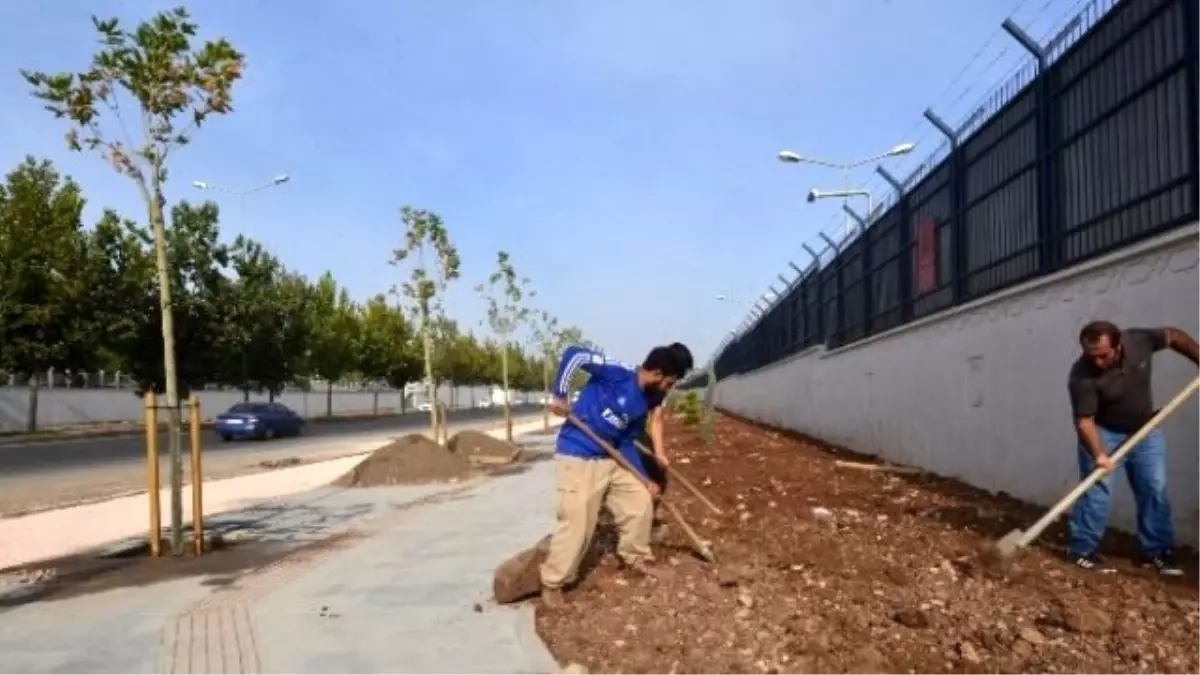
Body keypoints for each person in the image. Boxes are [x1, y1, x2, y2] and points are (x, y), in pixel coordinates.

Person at [539, 342, 693, 607]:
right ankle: (553, 582)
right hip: (578, 455)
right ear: (657, 374)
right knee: (578, 522)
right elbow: (573, 354)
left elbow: (626, 442)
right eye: (669, 383)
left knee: (640, 500)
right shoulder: (615, 372)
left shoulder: (648, 399)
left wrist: (645, 478)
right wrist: (560, 394)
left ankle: (636, 557)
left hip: (610, 457)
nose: (668, 390)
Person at [1066, 321, 1200, 575]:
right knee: (1097, 491)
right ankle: (1082, 550)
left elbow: (1173, 336)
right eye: (1090, 355)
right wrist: (1099, 454)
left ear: (1118, 346)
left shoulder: (1138, 341)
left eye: (1103, 356)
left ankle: (1159, 552)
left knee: (1153, 488)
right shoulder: (1081, 375)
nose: (1097, 362)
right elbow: (1084, 422)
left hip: (1146, 429)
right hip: (1103, 433)